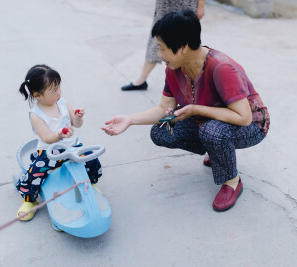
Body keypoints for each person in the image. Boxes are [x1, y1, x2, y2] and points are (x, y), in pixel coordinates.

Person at [103, 10, 270, 212]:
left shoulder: (222, 68)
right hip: (207, 120)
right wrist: (130, 119)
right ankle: (218, 152)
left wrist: (195, 109)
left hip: (252, 125)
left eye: (163, 49)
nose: (159, 54)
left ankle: (232, 181)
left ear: (182, 48)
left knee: (213, 133)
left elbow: (244, 118)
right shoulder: (173, 68)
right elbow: (164, 109)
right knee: (162, 130)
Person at [16, 65, 102, 221]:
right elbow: (47, 137)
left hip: (72, 147)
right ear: (37, 95)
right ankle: (29, 199)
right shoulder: (36, 115)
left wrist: (78, 117)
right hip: (50, 151)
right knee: (35, 173)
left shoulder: (63, 103)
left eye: (58, 87)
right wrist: (59, 135)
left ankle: (90, 183)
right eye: (53, 90)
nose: (58, 93)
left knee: (91, 159)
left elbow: (76, 125)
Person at [121, 0, 205, 91]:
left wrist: (200, 6)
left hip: (184, 4)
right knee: (158, 38)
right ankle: (142, 79)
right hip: (165, 4)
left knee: (185, 42)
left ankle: (196, 82)